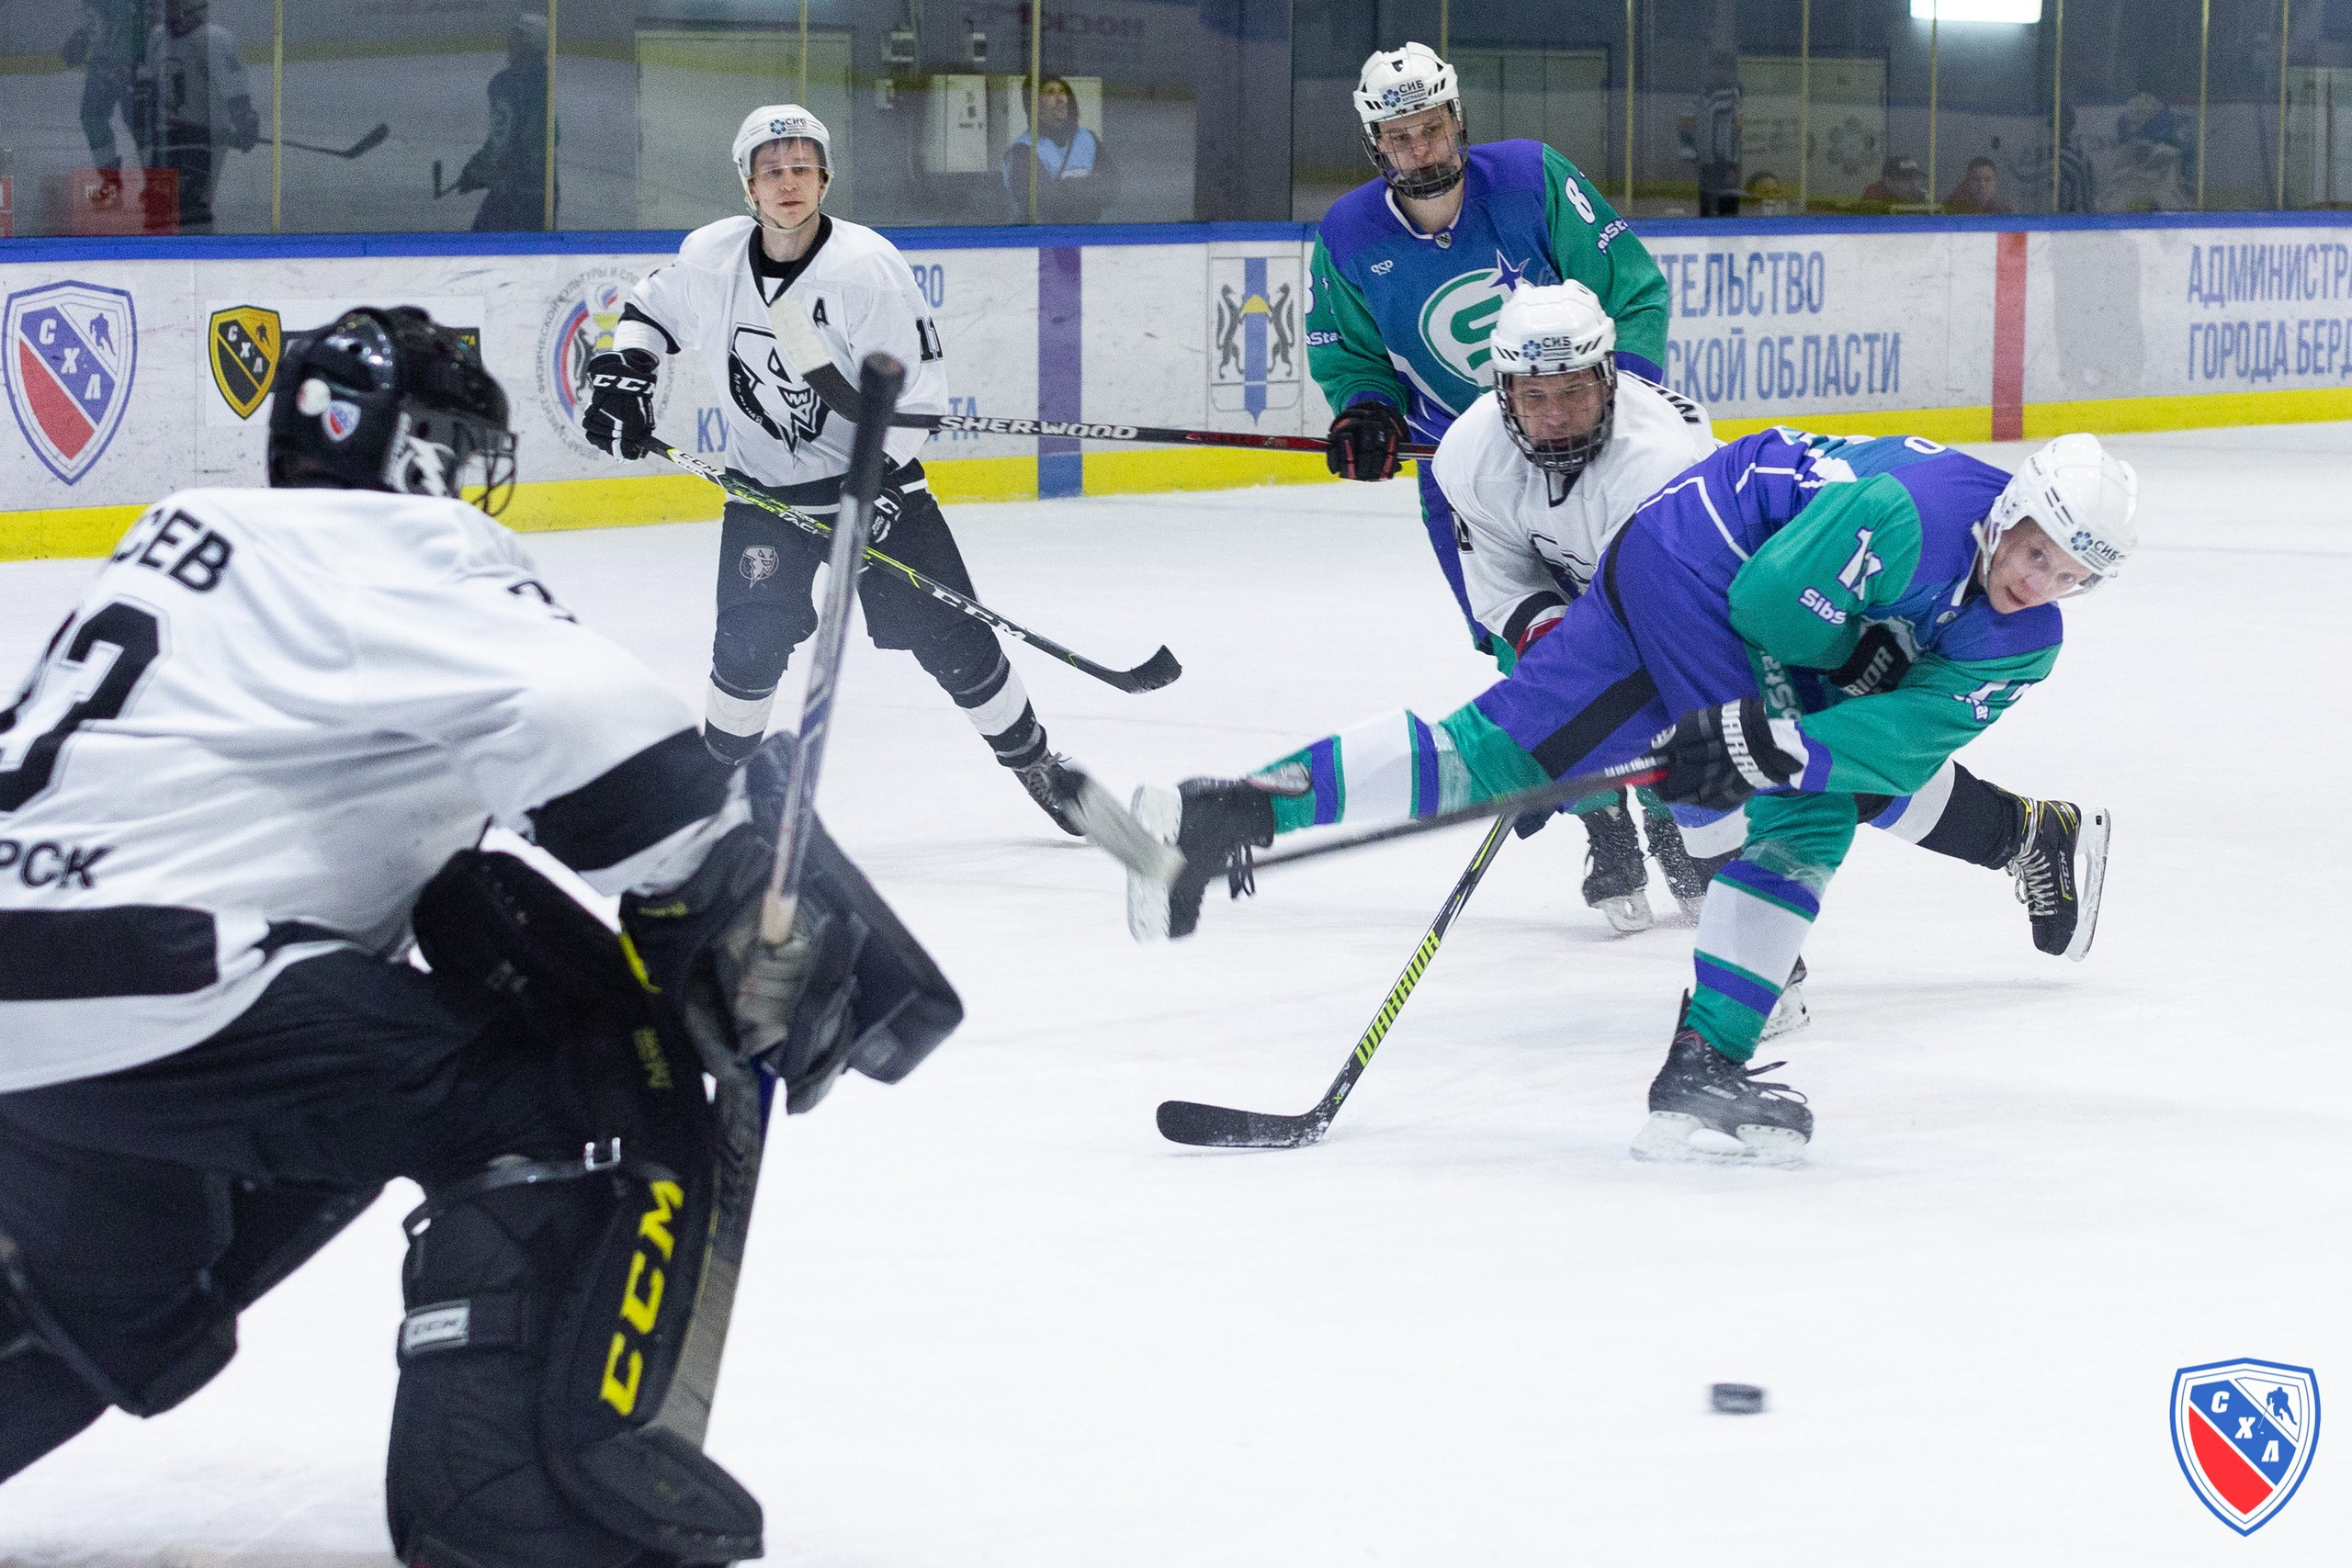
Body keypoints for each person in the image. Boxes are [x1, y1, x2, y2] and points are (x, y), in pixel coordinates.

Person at [0, 306, 959, 1563]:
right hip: (177, 984)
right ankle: (511, 1511)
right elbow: (592, 730)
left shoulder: (193, 547)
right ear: (417, 454)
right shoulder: (407, 546)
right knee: (576, 1093)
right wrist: (725, 886)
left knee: (124, 1293)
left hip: (40, 1005)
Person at [1125, 428, 2132, 1162]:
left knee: (1494, 750)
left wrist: (1773, 735)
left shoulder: (2022, 642)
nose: (2038, 580)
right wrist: (1766, 734)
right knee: (1801, 819)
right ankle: (1704, 1068)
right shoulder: (1908, 515)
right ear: (2013, 508)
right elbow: (1771, 603)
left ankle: (1231, 811)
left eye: (2070, 575)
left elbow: (1902, 743)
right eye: (2037, 548)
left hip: (1669, 549)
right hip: (1711, 566)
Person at [1433, 282, 2108, 955]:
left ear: (1608, 379)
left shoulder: (1662, 453)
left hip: (1777, 603)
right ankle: (2024, 834)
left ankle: (2015, 836)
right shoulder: (1471, 456)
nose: (1556, 412)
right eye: (1535, 394)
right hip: (1731, 607)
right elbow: (1505, 584)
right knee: (1788, 755)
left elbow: (1700, 602)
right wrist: (1552, 669)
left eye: (1574, 389)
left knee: (1808, 755)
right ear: (1505, 392)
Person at [583, 105, 1085, 831]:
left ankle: (1036, 761)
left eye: (801, 168)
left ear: (824, 178)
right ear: (748, 187)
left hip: (874, 483)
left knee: (952, 637)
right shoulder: (711, 257)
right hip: (766, 492)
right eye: (771, 170)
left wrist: (877, 477)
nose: (787, 183)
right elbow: (649, 307)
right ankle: (715, 794)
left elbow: (919, 393)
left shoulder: (867, 270)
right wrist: (625, 372)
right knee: (747, 646)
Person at [1306, 42, 1680, 923]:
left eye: (1430, 125)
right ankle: (1608, 829)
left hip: (1593, 452)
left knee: (1644, 631)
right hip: (1466, 477)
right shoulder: (1349, 234)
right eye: (1398, 135)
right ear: (1375, 144)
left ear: (1456, 117)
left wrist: (1613, 415)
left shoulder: (1533, 179)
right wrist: (1367, 410)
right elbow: (1354, 355)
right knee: (1534, 646)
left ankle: (1670, 810)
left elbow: (1632, 293)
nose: (1419, 147)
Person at [131, 0, 257, 231]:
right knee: (159, 208)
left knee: (192, 208)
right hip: (167, 135)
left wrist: (244, 120)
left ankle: (200, 255)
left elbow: (236, 92)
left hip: (203, 139)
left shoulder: (214, 40)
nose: (165, 13)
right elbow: (149, 84)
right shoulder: (158, 37)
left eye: (173, 6)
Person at [456, 14, 557, 232]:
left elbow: (541, 142)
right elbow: (500, 139)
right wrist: (477, 166)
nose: (509, 41)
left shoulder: (544, 85)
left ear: (532, 45)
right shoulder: (501, 84)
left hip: (534, 196)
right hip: (506, 192)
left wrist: (486, 172)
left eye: (517, 36)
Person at [1001, 74, 1120, 224]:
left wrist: (1065, 187)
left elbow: (1113, 187)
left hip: (1088, 234)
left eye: (1062, 91)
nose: (1060, 99)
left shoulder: (1088, 139)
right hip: (1040, 239)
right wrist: (1090, 185)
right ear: (1035, 103)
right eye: (1050, 92)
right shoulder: (1022, 149)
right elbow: (1047, 202)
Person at [62, 1, 147, 200]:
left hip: (131, 65)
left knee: (139, 123)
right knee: (92, 118)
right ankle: (110, 182)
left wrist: (134, 61)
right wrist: (84, 35)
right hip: (101, 65)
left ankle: (155, 182)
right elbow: (98, 21)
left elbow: (140, 23)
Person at [1943, 155, 2007, 215]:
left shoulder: (1995, 208)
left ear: (1995, 183)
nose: (1982, 185)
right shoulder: (1954, 209)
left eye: (1988, 179)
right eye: (1976, 179)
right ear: (1967, 183)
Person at [1860, 154, 1926, 209]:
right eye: (1905, 178)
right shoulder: (1875, 200)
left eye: (1916, 177)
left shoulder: (1922, 196)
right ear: (1888, 182)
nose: (1913, 184)